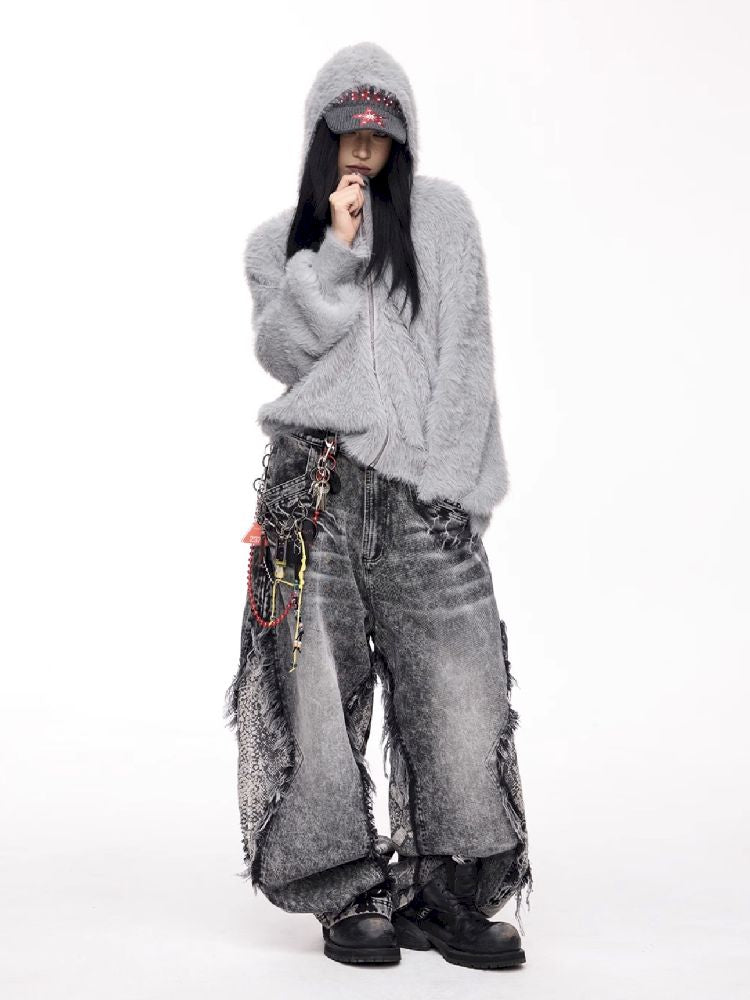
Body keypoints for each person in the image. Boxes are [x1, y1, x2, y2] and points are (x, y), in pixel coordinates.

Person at [225, 41, 533, 970]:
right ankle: (346, 889)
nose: (365, 147)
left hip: (423, 497)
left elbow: (467, 355)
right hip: (311, 491)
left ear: (403, 138)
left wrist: (455, 486)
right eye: (348, 132)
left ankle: (449, 892)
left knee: (462, 688)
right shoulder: (277, 244)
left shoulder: (443, 218)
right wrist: (336, 246)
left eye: (381, 132)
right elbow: (285, 352)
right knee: (312, 694)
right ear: (321, 138)